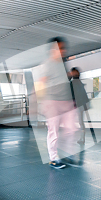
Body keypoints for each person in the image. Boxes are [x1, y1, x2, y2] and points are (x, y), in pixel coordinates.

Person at [40, 37, 77, 169]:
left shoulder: (62, 63)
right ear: (53, 50)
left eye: (63, 48)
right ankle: (53, 158)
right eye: (60, 48)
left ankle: (68, 153)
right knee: (53, 131)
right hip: (52, 102)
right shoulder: (48, 64)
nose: (63, 51)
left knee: (72, 129)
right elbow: (42, 82)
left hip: (66, 102)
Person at [70, 67, 90, 144]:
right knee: (80, 121)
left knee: (80, 121)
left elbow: (72, 95)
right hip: (81, 104)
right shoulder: (79, 82)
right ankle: (82, 138)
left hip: (78, 105)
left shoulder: (73, 83)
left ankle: (82, 138)